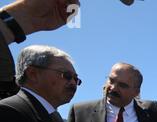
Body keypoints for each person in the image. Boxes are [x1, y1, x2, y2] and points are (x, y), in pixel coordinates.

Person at [0, 0, 136, 99]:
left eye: (76, 79)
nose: (72, 83)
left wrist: (23, 19)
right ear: (33, 74)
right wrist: (22, 16)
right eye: (66, 76)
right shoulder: (14, 109)